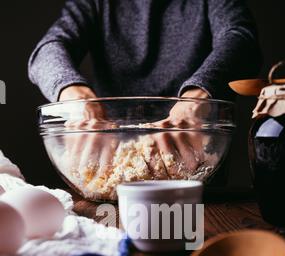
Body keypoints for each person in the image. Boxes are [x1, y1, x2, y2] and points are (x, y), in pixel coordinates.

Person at [28, 0, 261, 193]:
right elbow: (48, 49)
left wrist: (196, 99)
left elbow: (242, 38)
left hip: (195, 176)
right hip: (105, 170)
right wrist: (78, 99)